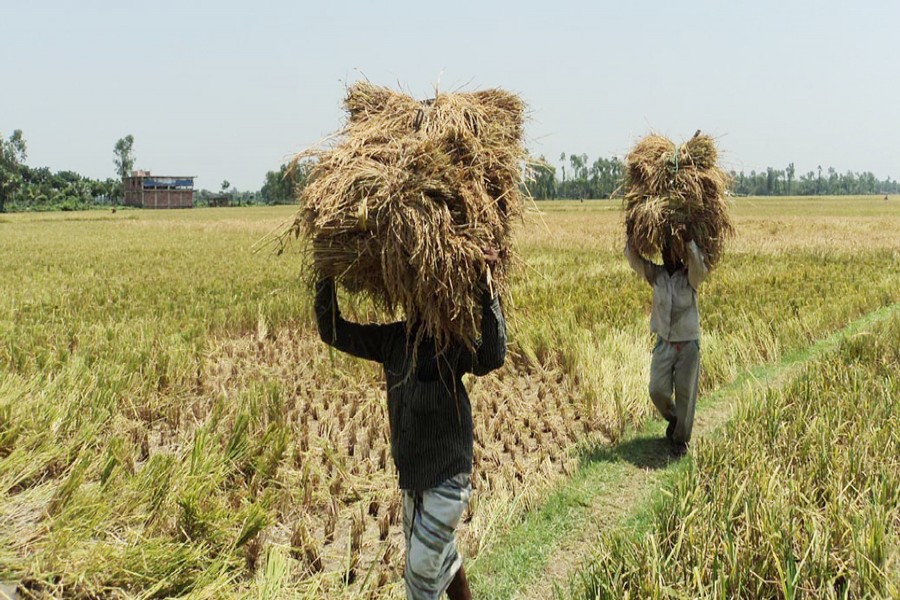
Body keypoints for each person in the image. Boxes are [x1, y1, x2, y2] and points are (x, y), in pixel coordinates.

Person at [315, 249, 506, 600]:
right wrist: (324, 275)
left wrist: (488, 289)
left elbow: (492, 356)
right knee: (442, 556)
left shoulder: (452, 342)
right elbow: (333, 331)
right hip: (413, 475)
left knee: (419, 572)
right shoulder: (393, 340)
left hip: (448, 475)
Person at [625, 237, 708, 456]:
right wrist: (631, 237)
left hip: (688, 344)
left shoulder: (690, 277)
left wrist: (690, 241)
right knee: (657, 390)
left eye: (672, 252)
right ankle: (675, 419)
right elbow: (635, 262)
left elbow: (701, 269)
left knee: (685, 395)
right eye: (665, 252)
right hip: (664, 343)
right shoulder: (657, 276)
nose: (667, 256)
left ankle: (680, 440)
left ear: (679, 254)